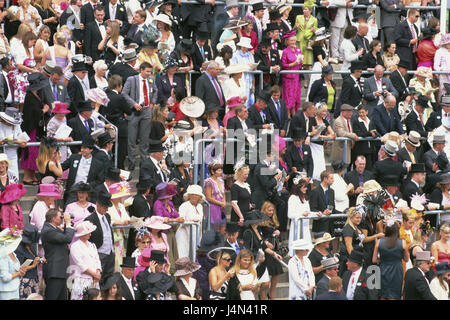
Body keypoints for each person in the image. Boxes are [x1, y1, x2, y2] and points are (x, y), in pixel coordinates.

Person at [122, 62, 158, 172]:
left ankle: (144, 162)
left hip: (147, 110)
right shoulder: (131, 79)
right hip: (134, 111)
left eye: (150, 71)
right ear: (141, 70)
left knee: (144, 138)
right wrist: (133, 104)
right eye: (147, 71)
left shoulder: (151, 79)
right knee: (132, 139)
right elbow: (124, 93)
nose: (149, 73)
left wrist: (152, 103)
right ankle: (132, 162)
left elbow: (155, 91)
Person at [20, 73, 50, 184]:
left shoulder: (36, 94)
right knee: (30, 151)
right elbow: (32, 113)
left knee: (35, 152)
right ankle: (27, 177)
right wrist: (44, 111)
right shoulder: (29, 96)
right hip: (30, 129)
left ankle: (32, 175)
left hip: (36, 128)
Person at [40, 208, 76, 300]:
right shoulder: (48, 230)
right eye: (60, 217)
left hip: (60, 271)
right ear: (53, 218)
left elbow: (67, 233)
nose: (62, 218)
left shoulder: (54, 228)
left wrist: (67, 224)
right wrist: (67, 223)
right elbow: (67, 238)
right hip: (54, 272)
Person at [84, 191, 115, 287]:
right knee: (99, 278)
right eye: (104, 206)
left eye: (107, 207)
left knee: (109, 277)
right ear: (98, 205)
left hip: (110, 252)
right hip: (99, 251)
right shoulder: (90, 219)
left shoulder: (107, 216)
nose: (106, 209)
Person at [372, 220, 409, 300]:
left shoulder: (379, 242)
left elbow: (374, 260)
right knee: (394, 295)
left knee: (382, 294)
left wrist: (381, 260)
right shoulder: (403, 243)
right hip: (397, 270)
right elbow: (406, 259)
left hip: (383, 268)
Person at [69, 221, 102, 300]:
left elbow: (97, 260)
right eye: (88, 232)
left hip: (94, 279)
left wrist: (98, 272)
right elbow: (80, 264)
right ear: (82, 234)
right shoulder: (75, 246)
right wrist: (94, 274)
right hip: (82, 279)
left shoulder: (92, 245)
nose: (90, 234)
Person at [153, 182, 182, 272]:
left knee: (175, 256)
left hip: (172, 232)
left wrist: (179, 219)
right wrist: (174, 220)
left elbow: (176, 216)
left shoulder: (170, 203)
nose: (172, 195)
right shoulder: (157, 204)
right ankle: (170, 275)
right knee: (169, 257)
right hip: (163, 234)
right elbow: (161, 219)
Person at [259, 201, 284, 300]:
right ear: (264, 210)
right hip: (265, 247)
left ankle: (271, 293)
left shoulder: (273, 219)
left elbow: (276, 233)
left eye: (272, 210)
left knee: (276, 272)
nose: (271, 212)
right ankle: (262, 294)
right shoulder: (261, 221)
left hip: (274, 247)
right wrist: (264, 242)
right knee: (265, 274)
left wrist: (278, 232)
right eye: (269, 210)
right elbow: (258, 235)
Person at [14, 224, 42, 300]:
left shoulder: (31, 247)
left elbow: (34, 259)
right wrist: (33, 265)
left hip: (34, 279)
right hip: (25, 281)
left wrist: (39, 260)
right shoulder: (19, 249)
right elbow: (19, 268)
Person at [176, 185, 204, 259]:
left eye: (196, 195)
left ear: (199, 197)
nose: (194, 196)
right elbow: (181, 219)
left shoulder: (200, 206)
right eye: (192, 194)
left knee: (194, 255)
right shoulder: (184, 206)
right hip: (184, 233)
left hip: (196, 234)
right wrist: (192, 221)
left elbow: (200, 219)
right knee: (183, 254)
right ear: (189, 195)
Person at [287, 177, 313, 257]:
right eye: (304, 187)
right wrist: (302, 214)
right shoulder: (293, 198)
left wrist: (318, 213)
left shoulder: (305, 198)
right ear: (299, 187)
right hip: (296, 228)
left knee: (308, 250)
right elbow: (290, 214)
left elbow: (308, 213)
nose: (306, 189)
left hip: (305, 228)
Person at [281, 30, 303, 118]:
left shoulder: (298, 50)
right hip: (288, 77)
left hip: (296, 76)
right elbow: (284, 65)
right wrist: (294, 63)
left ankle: (294, 111)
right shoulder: (285, 51)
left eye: (294, 40)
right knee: (288, 95)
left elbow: (300, 63)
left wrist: (301, 62)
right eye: (291, 41)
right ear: (287, 42)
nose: (293, 42)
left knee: (295, 95)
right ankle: (288, 113)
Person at [0, 108, 27, 180]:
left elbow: (22, 136)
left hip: (14, 155)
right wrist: (18, 142)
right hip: (3, 154)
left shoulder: (17, 125)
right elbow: (4, 140)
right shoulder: (1, 125)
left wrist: (23, 142)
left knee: (14, 176)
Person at [294, 0, 317, 84]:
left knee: (306, 63)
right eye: (303, 9)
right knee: (298, 61)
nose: (304, 11)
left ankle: (306, 80)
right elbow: (293, 30)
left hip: (308, 43)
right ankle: (297, 78)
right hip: (299, 41)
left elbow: (316, 33)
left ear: (310, 10)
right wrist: (295, 27)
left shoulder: (314, 20)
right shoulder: (298, 17)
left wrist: (314, 31)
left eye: (306, 9)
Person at [0, 228, 27, 300]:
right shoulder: (2, 255)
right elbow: (5, 277)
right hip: (6, 292)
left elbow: (16, 272)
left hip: (15, 289)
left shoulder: (13, 254)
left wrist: (21, 272)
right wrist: (18, 273)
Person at [310, 170, 335, 237]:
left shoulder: (331, 191)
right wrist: (322, 213)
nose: (333, 180)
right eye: (331, 178)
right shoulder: (315, 191)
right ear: (325, 179)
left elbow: (333, 207)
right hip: (320, 225)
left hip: (330, 225)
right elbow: (312, 208)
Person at [204, 162, 226, 227]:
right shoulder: (209, 182)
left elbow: (223, 192)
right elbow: (208, 197)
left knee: (222, 226)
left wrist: (224, 201)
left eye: (221, 170)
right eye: (218, 170)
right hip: (213, 206)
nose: (220, 172)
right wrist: (220, 203)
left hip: (221, 206)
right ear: (212, 171)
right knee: (213, 226)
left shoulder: (221, 180)